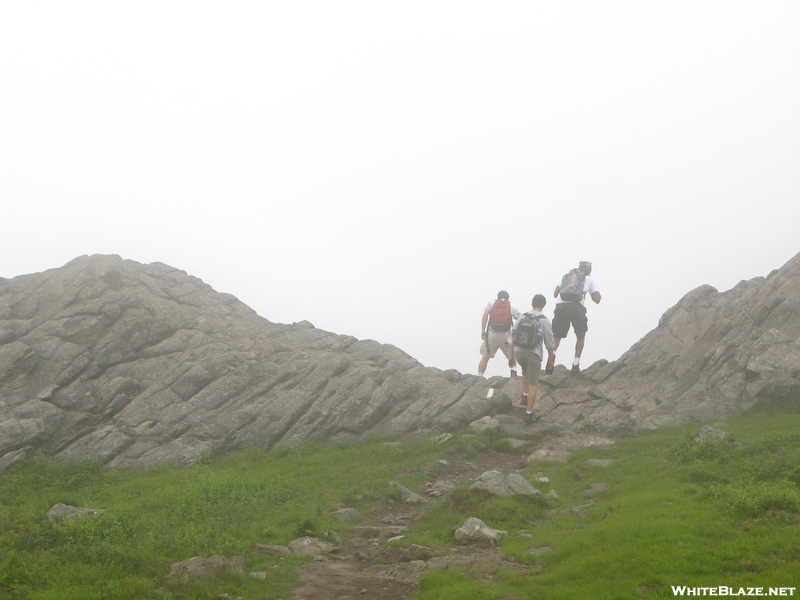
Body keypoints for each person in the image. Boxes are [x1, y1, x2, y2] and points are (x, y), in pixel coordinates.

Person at [509, 294, 555, 424]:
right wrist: (550, 359)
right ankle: (528, 413)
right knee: (533, 383)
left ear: (532, 304)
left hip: (519, 352)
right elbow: (550, 343)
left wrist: (511, 355)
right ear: (543, 305)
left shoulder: (523, 316)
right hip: (533, 353)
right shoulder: (544, 320)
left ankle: (525, 395)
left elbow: (513, 334)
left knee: (525, 372)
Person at [550, 260, 601, 375]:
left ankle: (552, 355)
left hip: (561, 307)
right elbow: (597, 300)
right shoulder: (590, 280)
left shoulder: (567, 277)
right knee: (580, 335)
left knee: (557, 335)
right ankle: (575, 364)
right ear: (589, 270)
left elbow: (555, 294)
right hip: (577, 308)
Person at [478, 290, 521, 377]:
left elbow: (485, 314)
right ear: (508, 298)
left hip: (492, 335)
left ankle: (479, 375)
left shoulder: (491, 303)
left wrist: (483, 330)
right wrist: (515, 333)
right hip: (507, 337)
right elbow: (520, 319)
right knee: (511, 356)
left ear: (497, 298)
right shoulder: (511, 305)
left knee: (485, 357)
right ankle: (513, 373)